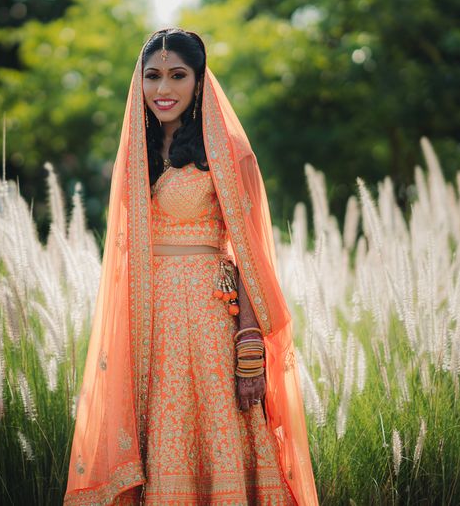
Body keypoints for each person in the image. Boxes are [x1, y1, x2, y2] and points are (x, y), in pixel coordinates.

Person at [64, 28, 319, 505]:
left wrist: (248, 336)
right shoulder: (134, 157)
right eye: (153, 76)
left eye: (177, 76)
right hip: (147, 323)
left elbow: (249, 252)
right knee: (157, 433)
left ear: (199, 82)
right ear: (139, 83)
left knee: (219, 435)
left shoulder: (227, 156)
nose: (164, 89)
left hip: (209, 321)